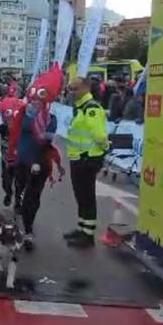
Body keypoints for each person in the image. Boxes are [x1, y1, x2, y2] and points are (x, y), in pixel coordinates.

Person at [6, 66, 65, 249]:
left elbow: (46, 143)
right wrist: (11, 155)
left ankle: (28, 230)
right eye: (33, 100)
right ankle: (19, 213)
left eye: (39, 101)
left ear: (45, 101)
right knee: (19, 191)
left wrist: (37, 162)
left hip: (40, 163)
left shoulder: (50, 119)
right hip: (22, 161)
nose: (35, 103)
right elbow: (14, 135)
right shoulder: (22, 113)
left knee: (32, 197)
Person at [64, 75, 109, 247]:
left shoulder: (91, 108)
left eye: (75, 89)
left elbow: (99, 135)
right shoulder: (80, 108)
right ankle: (82, 228)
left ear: (85, 89)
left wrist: (104, 148)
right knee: (80, 196)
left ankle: (88, 235)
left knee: (87, 197)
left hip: (87, 159)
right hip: (78, 158)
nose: (71, 92)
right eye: (70, 89)